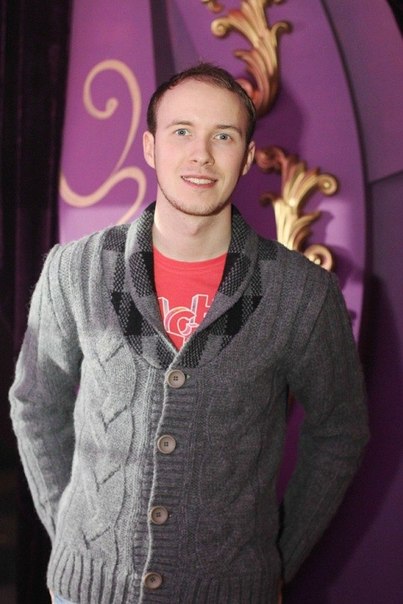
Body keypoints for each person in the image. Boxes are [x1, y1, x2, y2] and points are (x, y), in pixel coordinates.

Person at [9, 63, 369, 604]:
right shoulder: (76, 270)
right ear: (151, 147)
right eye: (182, 131)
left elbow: (341, 431)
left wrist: (279, 558)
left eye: (223, 136)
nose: (201, 154)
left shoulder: (301, 293)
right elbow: (35, 403)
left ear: (247, 156)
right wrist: (71, 535)